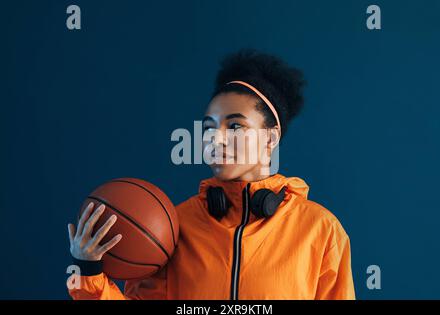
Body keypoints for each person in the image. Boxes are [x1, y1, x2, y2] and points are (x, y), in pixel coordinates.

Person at [67, 48, 355, 300]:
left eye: (235, 127)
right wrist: (89, 270)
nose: (214, 140)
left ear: (271, 138)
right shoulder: (172, 230)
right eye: (208, 128)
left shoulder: (322, 231)